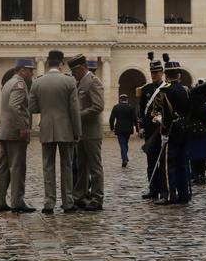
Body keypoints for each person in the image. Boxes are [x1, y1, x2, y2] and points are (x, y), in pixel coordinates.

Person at [32, 50, 80, 214]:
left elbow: (32, 107)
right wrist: (77, 130)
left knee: (48, 166)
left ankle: (49, 203)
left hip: (46, 128)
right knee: (67, 165)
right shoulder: (69, 81)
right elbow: (74, 109)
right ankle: (67, 202)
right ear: (61, 63)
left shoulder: (38, 82)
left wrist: (45, 108)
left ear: (47, 63)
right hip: (66, 129)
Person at [0, 57, 36, 213]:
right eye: (30, 71)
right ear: (23, 70)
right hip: (15, 132)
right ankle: (17, 202)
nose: (32, 74)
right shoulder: (19, 84)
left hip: (5, 131)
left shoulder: (8, 83)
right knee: (17, 167)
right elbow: (14, 106)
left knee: (3, 167)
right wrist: (22, 127)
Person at [154, 59, 192, 205]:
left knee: (169, 164)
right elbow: (190, 111)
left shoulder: (165, 91)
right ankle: (184, 194)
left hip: (171, 131)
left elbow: (165, 114)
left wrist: (163, 127)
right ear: (179, 75)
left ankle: (170, 195)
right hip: (185, 130)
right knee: (183, 163)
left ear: (166, 75)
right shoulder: (186, 90)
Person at [70, 56, 105, 211]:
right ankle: (80, 196)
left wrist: (78, 115)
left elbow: (98, 106)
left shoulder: (93, 81)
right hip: (82, 132)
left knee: (95, 167)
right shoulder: (78, 82)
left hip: (92, 132)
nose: (72, 74)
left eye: (74, 70)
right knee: (81, 166)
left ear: (82, 67)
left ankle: (97, 198)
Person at [136, 54, 169, 200]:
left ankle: (163, 189)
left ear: (162, 72)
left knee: (162, 162)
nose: (155, 75)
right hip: (150, 130)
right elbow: (142, 109)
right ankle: (153, 189)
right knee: (151, 161)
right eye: (152, 73)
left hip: (163, 130)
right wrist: (141, 126)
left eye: (157, 72)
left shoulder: (167, 88)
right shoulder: (146, 89)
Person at [186, 79, 206, 186]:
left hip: (193, 132)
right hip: (203, 133)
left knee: (194, 156)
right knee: (203, 156)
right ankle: (201, 174)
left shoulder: (190, 105)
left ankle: (195, 174)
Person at [108, 93, 136, 168]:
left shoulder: (116, 107)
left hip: (119, 129)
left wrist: (112, 128)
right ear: (127, 100)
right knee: (125, 143)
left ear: (120, 100)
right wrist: (137, 128)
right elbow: (135, 119)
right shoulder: (131, 107)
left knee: (122, 144)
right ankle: (125, 158)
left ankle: (124, 158)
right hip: (128, 129)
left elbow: (111, 118)